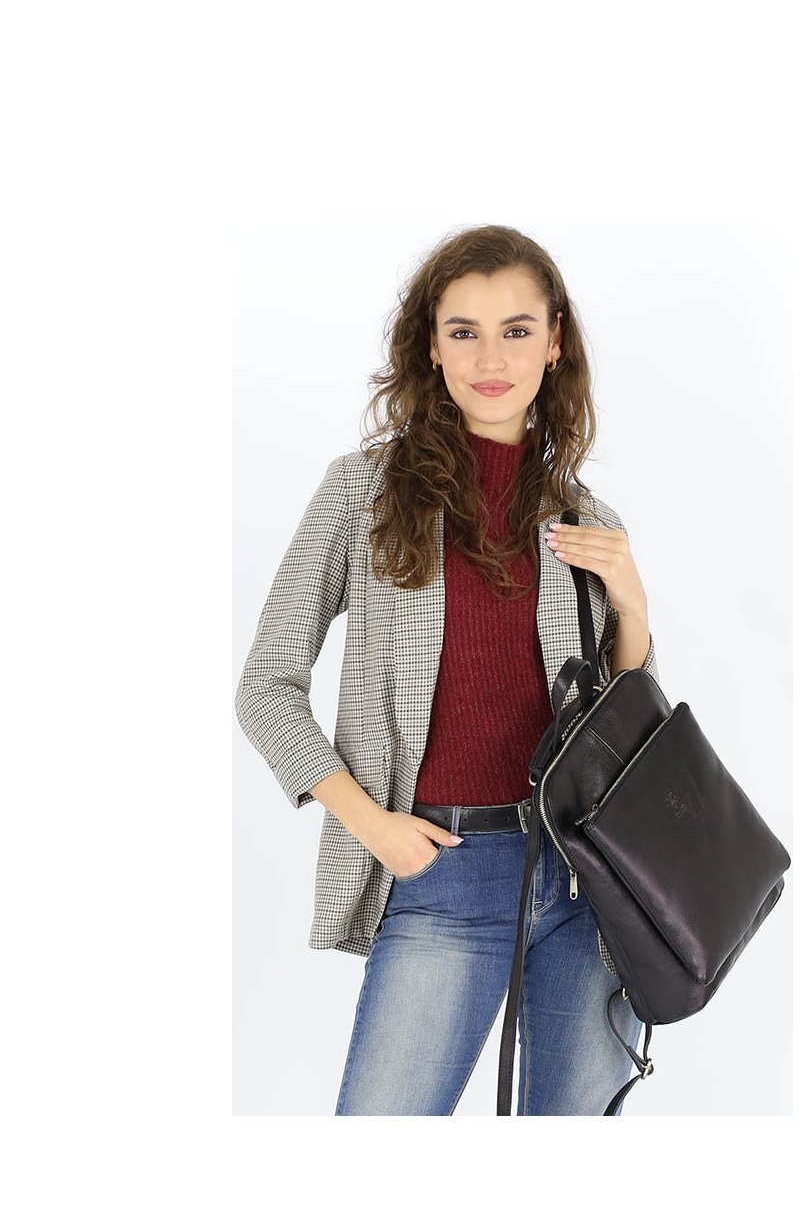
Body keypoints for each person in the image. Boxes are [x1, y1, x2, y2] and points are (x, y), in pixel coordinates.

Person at [235, 224, 661, 1115]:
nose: (490, 358)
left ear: (555, 343)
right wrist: (374, 827)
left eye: (517, 329)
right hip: (443, 876)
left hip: (586, 883)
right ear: (431, 346)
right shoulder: (361, 492)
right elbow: (266, 683)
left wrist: (633, 608)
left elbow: (630, 730)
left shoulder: (587, 521)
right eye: (464, 330)